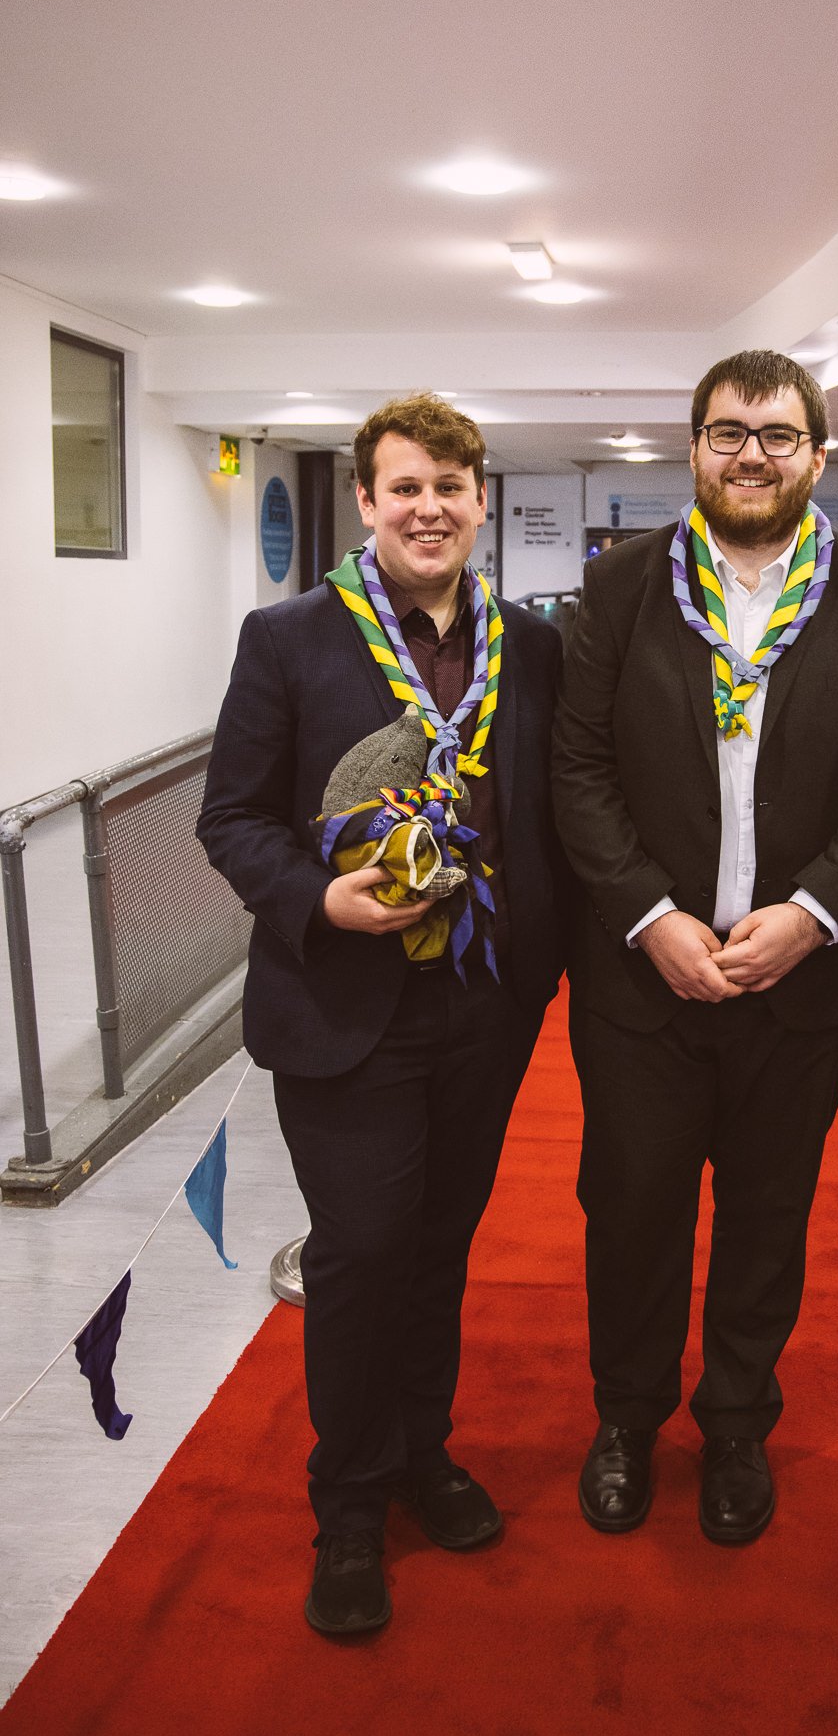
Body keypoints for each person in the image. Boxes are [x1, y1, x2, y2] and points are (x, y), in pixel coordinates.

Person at [552, 348, 838, 1544]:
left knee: (768, 1211)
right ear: (694, 449)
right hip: (641, 979)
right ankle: (625, 1417)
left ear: (818, 455)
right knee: (631, 1208)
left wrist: (816, 911)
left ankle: (734, 1426)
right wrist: (651, 914)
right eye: (728, 432)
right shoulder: (618, 584)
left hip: (802, 982)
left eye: (777, 435)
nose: (751, 455)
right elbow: (578, 767)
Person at [198, 394, 566, 1636]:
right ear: (366, 500)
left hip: (481, 1006)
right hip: (342, 1006)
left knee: (438, 1245)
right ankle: (348, 1505)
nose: (429, 508)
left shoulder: (529, 643)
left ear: (479, 500)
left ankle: (422, 1451)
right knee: (360, 1251)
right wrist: (321, 901)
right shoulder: (289, 637)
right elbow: (233, 818)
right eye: (404, 487)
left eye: (451, 487)